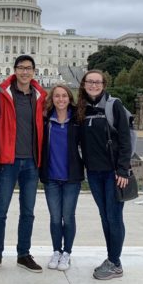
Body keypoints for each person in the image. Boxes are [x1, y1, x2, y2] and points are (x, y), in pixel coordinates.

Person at [0, 55, 47, 274]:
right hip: (7, 162)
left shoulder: (40, 97)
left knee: (28, 212)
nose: (25, 72)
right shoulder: (2, 94)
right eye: (21, 68)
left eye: (28, 68)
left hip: (31, 163)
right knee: (0, 211)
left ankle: (23, 254)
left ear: (34, 71)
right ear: (15, 70)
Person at [77, 69, 131, 280]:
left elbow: (125, 140)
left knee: (114, 217)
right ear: (83, 84)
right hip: (94, 172)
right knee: (105, 217)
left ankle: (115, 263)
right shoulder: (82, 109)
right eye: (90, 81)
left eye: (97, 82)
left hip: (113, 173)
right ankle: (111, 258)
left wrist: (123, 169)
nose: (93, 85)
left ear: (104, 84)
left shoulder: (113, 105)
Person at [39, 84, 84, 271]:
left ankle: (67, 253)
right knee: (55, 218)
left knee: (68, 217)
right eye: (57, 96)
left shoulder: (77, 120)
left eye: (64, 96)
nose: (60, 99)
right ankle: (56, 250)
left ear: (69, 98)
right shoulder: (46, 120)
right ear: (52, 99)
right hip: (51, 178)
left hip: (71, 178)